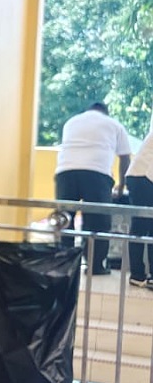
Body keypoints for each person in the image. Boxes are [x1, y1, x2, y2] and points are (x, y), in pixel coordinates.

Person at [55, 102, 131, 275]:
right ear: (106, 112)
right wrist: (121, 185)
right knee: (97, 221)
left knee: (65, 219)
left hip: (65, 172)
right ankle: (95, 266)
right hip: (97, 174)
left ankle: (64, 264)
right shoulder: (113, 124)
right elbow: (125, 158)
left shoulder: (71, 122)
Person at [126, 120, 153, 286]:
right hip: (143, 176)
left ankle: (145, 275)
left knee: (145, 227)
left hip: (142, 176)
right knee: (141, 226)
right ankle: (137, 274)